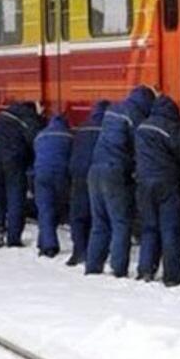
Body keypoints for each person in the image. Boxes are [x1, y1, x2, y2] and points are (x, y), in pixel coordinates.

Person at [86, 85, 156, 277]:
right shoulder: (135, 115)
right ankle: (118, 268)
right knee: (120, 222)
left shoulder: (113, 110)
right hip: (114, 171)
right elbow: (139, 144)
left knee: (99, 222)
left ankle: (92, 267)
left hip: (94, 169)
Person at [134, 94, 180, 285]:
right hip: (167, 184)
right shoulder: (171, 129)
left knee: (148, 228)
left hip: (144, 184)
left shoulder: (142, 127)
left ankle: (146, 270)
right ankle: (172, 276)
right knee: (170, 229)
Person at [0, 100, 44, 248]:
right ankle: (14, 238)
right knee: (15, 198)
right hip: (13, 160)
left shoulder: (3, 115)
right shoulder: (28, 118)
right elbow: (36, 138)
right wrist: (39, 118)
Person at [67, 100, 109, 267]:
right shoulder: (108, 128)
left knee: (77, 215)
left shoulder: (83, 126)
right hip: (97, 173)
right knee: (97, 215)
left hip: (78, 172)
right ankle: (93, 252)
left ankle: (78, 251)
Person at [33, 113, 73, 258]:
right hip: (61, 175)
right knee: (61, 207)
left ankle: (47, 244)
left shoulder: (40, 135)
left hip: (41, 175)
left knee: (45, 208)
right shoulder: (69, 136)